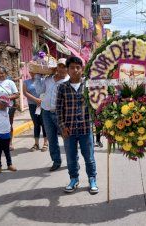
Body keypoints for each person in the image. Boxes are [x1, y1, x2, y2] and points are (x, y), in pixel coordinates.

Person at [56, 56, 98, 194]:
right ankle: (74, 179)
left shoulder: (89, 85)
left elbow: (97, 103)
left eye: (78, 67)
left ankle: (92, 179)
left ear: (82, 69)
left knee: (89, 157)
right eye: (72, 67)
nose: (75, 70)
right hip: (69, 130)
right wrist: (62, 127)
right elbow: (58, 109)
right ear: (67, 70)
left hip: (86, 128)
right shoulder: (62, 87)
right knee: (71, 157)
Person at [35, 58, 69, 171]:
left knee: (67, 139)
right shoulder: (48, 79)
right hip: (46, 112)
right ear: (56, 67)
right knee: (51, 138)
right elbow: (39, 91)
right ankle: (56, 161)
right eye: (60, 66)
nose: (62, 68)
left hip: (62, 115)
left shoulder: (69, 81)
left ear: (67, 68)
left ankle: (72, 161)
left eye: (64, 66)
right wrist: (37, 76)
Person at [23, 72, 48, 152]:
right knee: (36, 124)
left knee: (44, 123)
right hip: (32, 105)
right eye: (32, 72)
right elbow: (25, 92)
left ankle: (45, 143)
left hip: (43, 105)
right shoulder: (26, 82)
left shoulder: (44, 80)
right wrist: (35, 100)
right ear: (29, 72)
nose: (33, 73)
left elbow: (47, 91)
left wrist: (41, 101)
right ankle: (36, 143)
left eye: (35, 72)